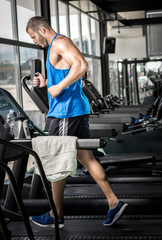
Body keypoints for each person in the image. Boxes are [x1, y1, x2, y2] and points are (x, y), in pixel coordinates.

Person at [26, 16, 128, 228]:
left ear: (42, 30)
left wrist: (58, 87)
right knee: (86, 158)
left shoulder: (59, 42)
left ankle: (56, 215)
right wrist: (47, 83)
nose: (34, 41)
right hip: (73, 111)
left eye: (34, 36)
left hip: (66, 113)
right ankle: (113, 202)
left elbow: (81, 66)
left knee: (56, 160)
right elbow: (68, 70)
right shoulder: (54, 47)